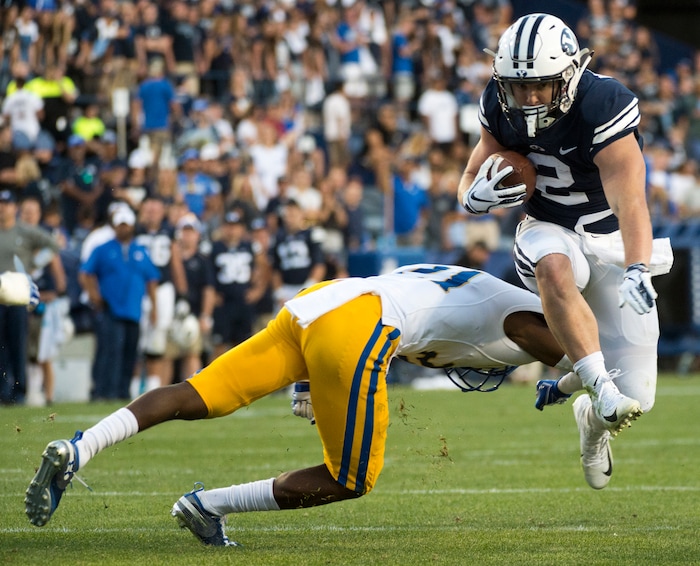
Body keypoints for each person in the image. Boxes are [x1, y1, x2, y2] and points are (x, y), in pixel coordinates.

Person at [25, 263, 573, 545]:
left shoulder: (467, 285)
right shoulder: (527, 318)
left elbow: (365, 298)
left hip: (320, 302)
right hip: (360, 325)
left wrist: (309, 377)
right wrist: (590, 382)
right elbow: (571, 346)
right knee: (352, 477)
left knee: (199, 393)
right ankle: (207, 505)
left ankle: (80, 446)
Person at [456, 14, 674, 490]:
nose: (529, 97)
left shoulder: (603, 102)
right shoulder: (498, 101)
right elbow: (469, 178)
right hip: (547, 227)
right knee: (552, 266)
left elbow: (631, 199)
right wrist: (471, 198)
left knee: (639, 394)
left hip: (612, 240)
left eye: (541, 85)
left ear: (571, 73)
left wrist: (637, 265)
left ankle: (590, 419)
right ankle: (596, 385)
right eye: (520, 86)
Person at [80, 206, 159, 401]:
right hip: (110, 309)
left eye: (126, 225)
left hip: (134, 310)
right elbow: (85, 273)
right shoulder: (103, 248)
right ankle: (102, 391)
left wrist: (155, 307)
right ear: (114, 227)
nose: (123, 229)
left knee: (129, 352)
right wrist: (94, 295)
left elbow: (151, 279)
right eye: (119, 225)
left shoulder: (140, 250)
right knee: (109, 351)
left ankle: (122, 392)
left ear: (132, 226)